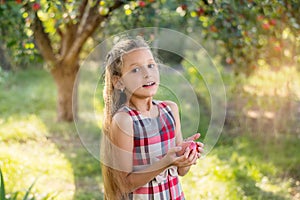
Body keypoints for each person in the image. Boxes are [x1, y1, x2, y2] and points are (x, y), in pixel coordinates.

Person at [101, 36, 204, 200]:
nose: (147, 74)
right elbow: (124, 184)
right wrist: (165, 162)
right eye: (135, 69)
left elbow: (181, 171)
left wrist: (186, 156)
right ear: (119, 81)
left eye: (151, 65)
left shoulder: (170, 110)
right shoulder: (125, 121)